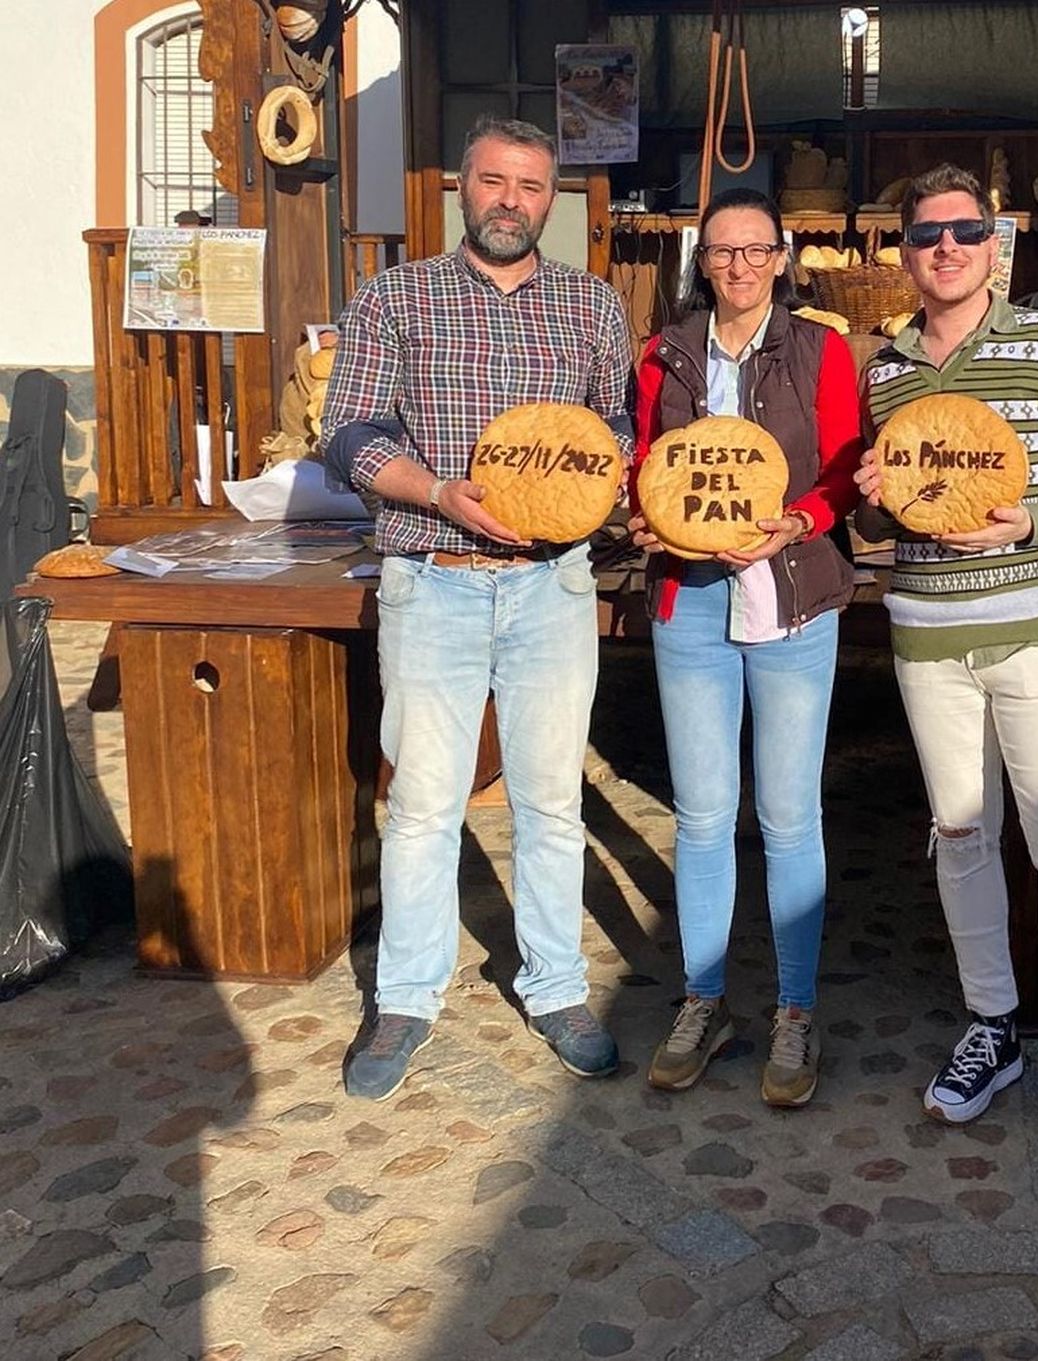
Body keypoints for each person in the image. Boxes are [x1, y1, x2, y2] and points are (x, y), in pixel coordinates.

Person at [321, 114, 634, 1099]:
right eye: (494, 181)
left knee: (549, 796)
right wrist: (436, 492)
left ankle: (555, 986)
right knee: (421, 802)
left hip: (553, 584)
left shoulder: (591, 304)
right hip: (434, 577)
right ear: (464, 187)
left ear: (553, 200)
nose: (511, 200)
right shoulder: (395, 297)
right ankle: (408, 995)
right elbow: (350, 432)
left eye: (531, 186)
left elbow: (612, 421)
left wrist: (615, 476)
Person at [854, 164, 1038, 1170]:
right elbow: (874, 510)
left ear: (994, 243)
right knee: (960, 832)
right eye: (926, 233)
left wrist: (1035, 522)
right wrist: (865, 495)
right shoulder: (883, 368)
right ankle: (994, 1028)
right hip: (926, 634)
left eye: (964, 230)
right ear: (902, 248)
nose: (946, 247)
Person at [628, 188, 861, 1107]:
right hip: (690, 603)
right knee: (701, 813)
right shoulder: (665, 354)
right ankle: (704, 997)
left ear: (780, 256)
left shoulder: (820, 349)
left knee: (790, 815)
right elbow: (647, 465)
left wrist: (797, 520)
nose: (738, 266)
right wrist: (648, 524)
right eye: (722, 251)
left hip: (794, 599)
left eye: (754, 250)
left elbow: (845, 466)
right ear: (702, 260)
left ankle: (796, 1011)